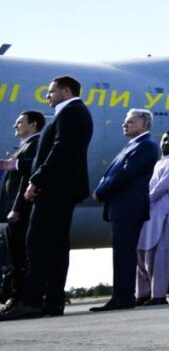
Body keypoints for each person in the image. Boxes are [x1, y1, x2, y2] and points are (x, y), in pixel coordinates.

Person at [1, 76, 93, 321]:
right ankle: (52, 301)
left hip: (56, 188)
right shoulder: (71, 113)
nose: (47, 96)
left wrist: (37, 179)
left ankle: (31, 302)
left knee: (38, 243)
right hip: (58, 187)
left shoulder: (72, 112)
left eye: (51, 92)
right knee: (55, 246)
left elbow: (61, 151)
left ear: (66, 90)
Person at [90, 109, 161, 311]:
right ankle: (122, 294)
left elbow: (125, 174)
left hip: (129, 207)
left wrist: (101, 192)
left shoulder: (146, 145)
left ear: (144, 125)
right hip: (122, 207)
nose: (125, 124)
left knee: (124, 253)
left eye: (130, 121)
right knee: (122, 252)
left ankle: (123, 296)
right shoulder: (134, 145)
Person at [136, 130, 169, 306]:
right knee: (142, 253)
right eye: (164, 140)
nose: (167, 143)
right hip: (150, 211)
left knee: (159, 254)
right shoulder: (160, 163)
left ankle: (158, 295)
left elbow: (162, 186)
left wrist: (144, 201)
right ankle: (143, 293)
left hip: (163, 212)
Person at [0, 110, 44, 307]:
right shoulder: (24, 146)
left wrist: (16, 208)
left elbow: (27, 180)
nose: (15, 126)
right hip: (13, 209)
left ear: (33, 124)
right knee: (16, 257)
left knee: (22, 256)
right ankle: (16, 297)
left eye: (20, 122)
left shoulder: (35, 145)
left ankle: (23, 298)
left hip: (20, 209)